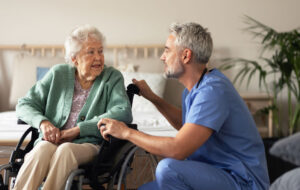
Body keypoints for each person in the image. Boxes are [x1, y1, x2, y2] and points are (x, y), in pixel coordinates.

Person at [98, 22, 270, 190]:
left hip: (242, 181)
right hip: (217, 174)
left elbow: (177, 150)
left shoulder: (212, 91)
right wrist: (153, 98)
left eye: (167, 50)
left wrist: (126, 132)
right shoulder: (193, 90)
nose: (162, 57)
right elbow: (188, 126)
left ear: (186, 55)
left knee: (168, 169)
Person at [13, 25, 132, 190]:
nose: (98, 58)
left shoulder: (112, 77)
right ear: (74, 58)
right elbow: (24, 104)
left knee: (66, 150)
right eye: (91, 52)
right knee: (41, 150)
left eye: (101, 51)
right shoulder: (58, 73)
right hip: (52, 141)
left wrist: (78, 130)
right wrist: (43, 123)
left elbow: (122, 111)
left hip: (90, 145)